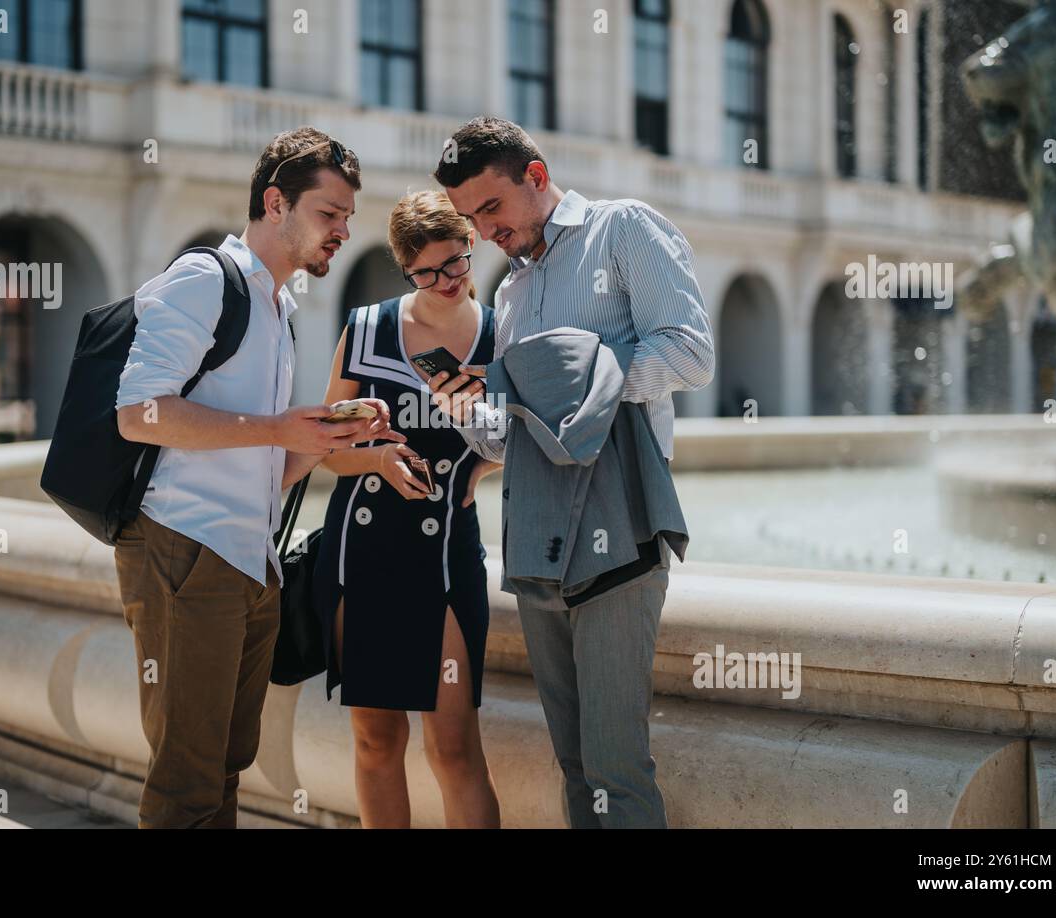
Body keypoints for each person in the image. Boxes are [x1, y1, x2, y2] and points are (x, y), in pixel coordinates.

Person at [113, 127, 402, 828]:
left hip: (250, 559)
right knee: (187, 780)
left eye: (346, 220)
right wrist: (276, 430)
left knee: (226, 769)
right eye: (328, 214)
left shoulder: (277, 306)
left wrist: (331, 437)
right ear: (276, 202)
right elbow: (137, 412)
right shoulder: (206, 279)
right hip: (185, 547)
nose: (340, 232)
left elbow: (264, 467)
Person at [431, 116, 715, 829]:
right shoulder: (509, 295)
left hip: (623, 522)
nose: (485, 231)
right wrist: (466, 409)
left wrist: (580, 384)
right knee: (574, 765)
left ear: (536, 175)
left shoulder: (624, 229)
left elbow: (690, 354)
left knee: (616, 769)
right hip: (537, 534)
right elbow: (511, 443)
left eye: (491, 208)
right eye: (471, 218)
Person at [312, 190, 502, 828]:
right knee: (376, 741)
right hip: (365, 551)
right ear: (405, 269)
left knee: (453, 749)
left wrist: (481, 463)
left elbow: (536, 432)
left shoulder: (504, 334)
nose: (447, 282)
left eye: (456, 263)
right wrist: (375, 460)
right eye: (427, 272)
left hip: (448, 552)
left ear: (471, 245)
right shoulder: (366, 328)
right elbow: (326, 450)